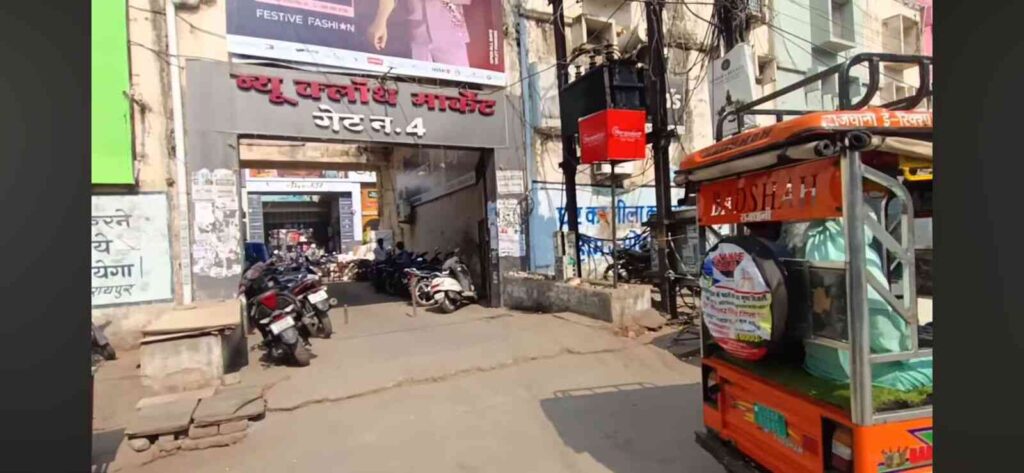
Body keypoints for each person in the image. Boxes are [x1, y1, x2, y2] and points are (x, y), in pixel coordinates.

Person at [366, 0, 472, 67]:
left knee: (460, 87)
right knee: (420, 88)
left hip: (451, 34)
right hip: (416, 35)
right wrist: (380, 20)